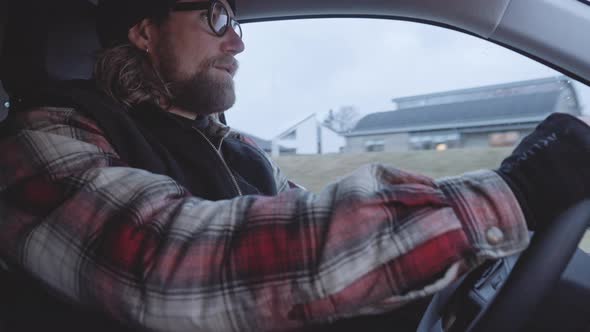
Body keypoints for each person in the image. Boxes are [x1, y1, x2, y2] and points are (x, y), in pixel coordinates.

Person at [0, 0, 589, 331]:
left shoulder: (244, 153)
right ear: (144, 31)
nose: (237, 42)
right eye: (215, 17)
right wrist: (511, 195)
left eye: (236, 20)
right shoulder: (47, 137)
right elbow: (167, 259)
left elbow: (313, 230)